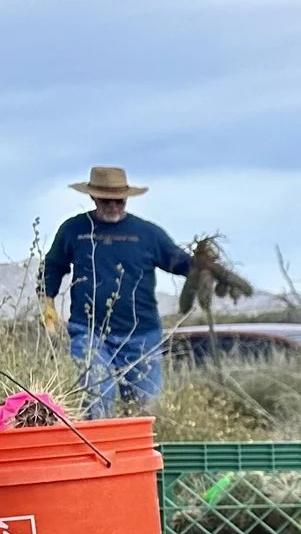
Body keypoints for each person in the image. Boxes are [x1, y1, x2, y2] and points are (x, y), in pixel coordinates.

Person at [40, 166, 191, 419]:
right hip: (90, 333)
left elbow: (180, 262)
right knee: (97, 405)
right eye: (106, 200)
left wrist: (206, 267)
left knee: (144, 412)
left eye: (119, 201)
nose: (113, 206)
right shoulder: (75, 229)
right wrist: (47, 305)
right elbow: (53, 266)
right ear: (93, 197)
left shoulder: (147, 234)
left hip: (142, 336)